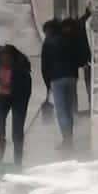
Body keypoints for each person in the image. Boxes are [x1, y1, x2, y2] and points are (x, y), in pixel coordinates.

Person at [0, 36, 32, 166]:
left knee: (17, 130)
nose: (4, 63)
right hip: (4, 95)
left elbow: (15, 89)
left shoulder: (21, 67)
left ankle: (18, 162)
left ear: (13, 59)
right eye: (2, 61)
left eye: (7, 61)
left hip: (20, 96)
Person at [41, 17, 79, 150]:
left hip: (57, 79)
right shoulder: (68, 39)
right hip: (71, 77)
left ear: (48, 30)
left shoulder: (48, 42)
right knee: (69, 110)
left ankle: (67, 141)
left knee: (61, 111)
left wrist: (47, 85)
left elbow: (45, 66)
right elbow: (76, 58)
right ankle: (70, 139)